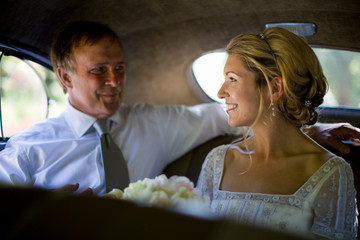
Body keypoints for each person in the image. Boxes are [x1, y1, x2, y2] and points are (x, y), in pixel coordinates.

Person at [0, 21, 358, 197]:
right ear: (64, 77)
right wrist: (41, 216)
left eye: (120, 68)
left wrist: (308, 132)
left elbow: (231, 114)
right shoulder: (29, 150)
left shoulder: (153, 123)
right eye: (99, 70)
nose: (114, 80)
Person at [197, 27, 358, 239]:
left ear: (274, 88)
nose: (220, 92)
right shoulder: (217, 162)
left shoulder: (331, 174)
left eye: (232, 79)